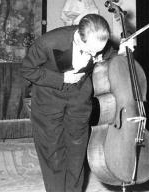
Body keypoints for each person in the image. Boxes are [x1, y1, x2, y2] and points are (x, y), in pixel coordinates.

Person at [20, 14, 115, 192]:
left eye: (98, 51)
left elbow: (112, 55)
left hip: (79, 101)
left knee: (77, 153)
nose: (94, 55)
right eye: (90, 51)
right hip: (48, 101)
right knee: (53, 153)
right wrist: (61, 78)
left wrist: (122, 52)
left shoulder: (99, 46)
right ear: (79, 38)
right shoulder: (49, 42)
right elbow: (27, 69)